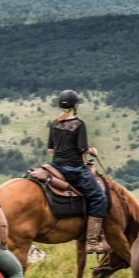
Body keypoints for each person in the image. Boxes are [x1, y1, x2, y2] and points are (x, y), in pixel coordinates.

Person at [47, 89, 108, 254]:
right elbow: (82, 148)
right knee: (99, 197)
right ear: (75, 105)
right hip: (73, 169)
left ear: (61, 106)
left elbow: (51, 150)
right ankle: (92, 242)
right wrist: (92, 150)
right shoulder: (79, 124)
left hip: (55, 167)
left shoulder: (54, 123)